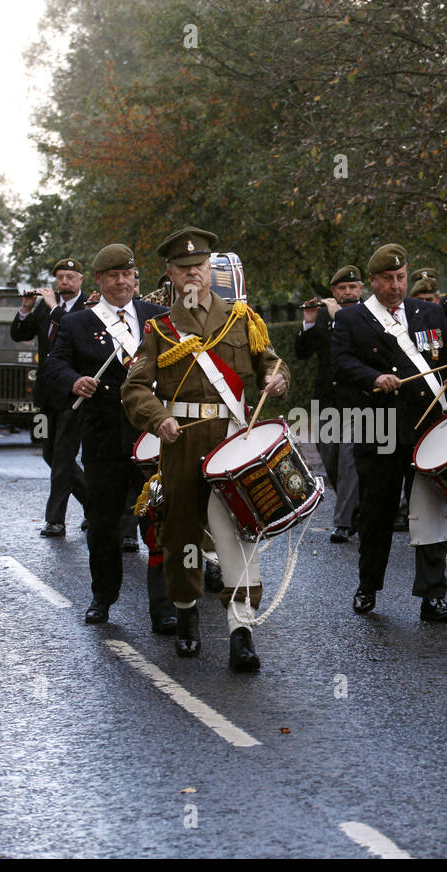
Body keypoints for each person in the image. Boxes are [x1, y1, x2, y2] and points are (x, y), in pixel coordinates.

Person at [123, 226, 289, 671]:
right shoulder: (160, 327)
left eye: (200, 266)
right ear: (171, 276)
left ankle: (241, 630)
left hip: (233, 437)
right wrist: (159, 419)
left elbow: (269, 361)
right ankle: (186, 615)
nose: (193, 273)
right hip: (182, 442)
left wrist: (277, 377)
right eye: (183, 268)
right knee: (182, 534)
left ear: (210, 270)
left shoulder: (241, 318)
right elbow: (135, 388)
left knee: (237, 534)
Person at [45, 243, 175, 629]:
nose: (122, 282)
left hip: (150, 433)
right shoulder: (78, 323)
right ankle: (103, 596)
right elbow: (54, 367)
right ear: (98, 282)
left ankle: (164, 605)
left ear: (136, 278)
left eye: (128, 275)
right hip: (103, 435)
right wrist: (74, 381)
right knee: (103, 523)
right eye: (113, 276)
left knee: (159, 516)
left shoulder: (157, 318)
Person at [331, 243, 447, 623]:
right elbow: (340, 364)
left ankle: (433, 596)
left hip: (425, 425)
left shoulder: (431, 311)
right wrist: (374, 377)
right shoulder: (353, 319)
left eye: (401, 277)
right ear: (372, 281)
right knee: (377, 513)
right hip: (381, 428)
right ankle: (368, 586)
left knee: (430, 512)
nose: (396, 285)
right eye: (387, 279)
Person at [12, 258, 89, 537]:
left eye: (70, 277)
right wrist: (25, 309)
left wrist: (54, 307)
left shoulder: (86, 309)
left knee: (63, 456)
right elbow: (19, 334)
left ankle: (55, 519)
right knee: (50, 453)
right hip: (46, 395)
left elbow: (72, 333)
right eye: (60, 278)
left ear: (81, 279)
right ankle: (94, 506)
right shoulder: (45, 309)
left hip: (73, 394)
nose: (64, 282)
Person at [295, 265, 364, 543]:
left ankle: (343, 523)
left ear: (360, 288)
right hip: (326, 399)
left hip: (355, 400)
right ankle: (353, 507)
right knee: (330, 457)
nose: (347, 292)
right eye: (341, 288)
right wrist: (309, 322)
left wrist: (342, 316)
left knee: (348, 458)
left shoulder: (368, 313)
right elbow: (302, 353)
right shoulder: (323, 315)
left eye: (352, 287)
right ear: (333, 291)